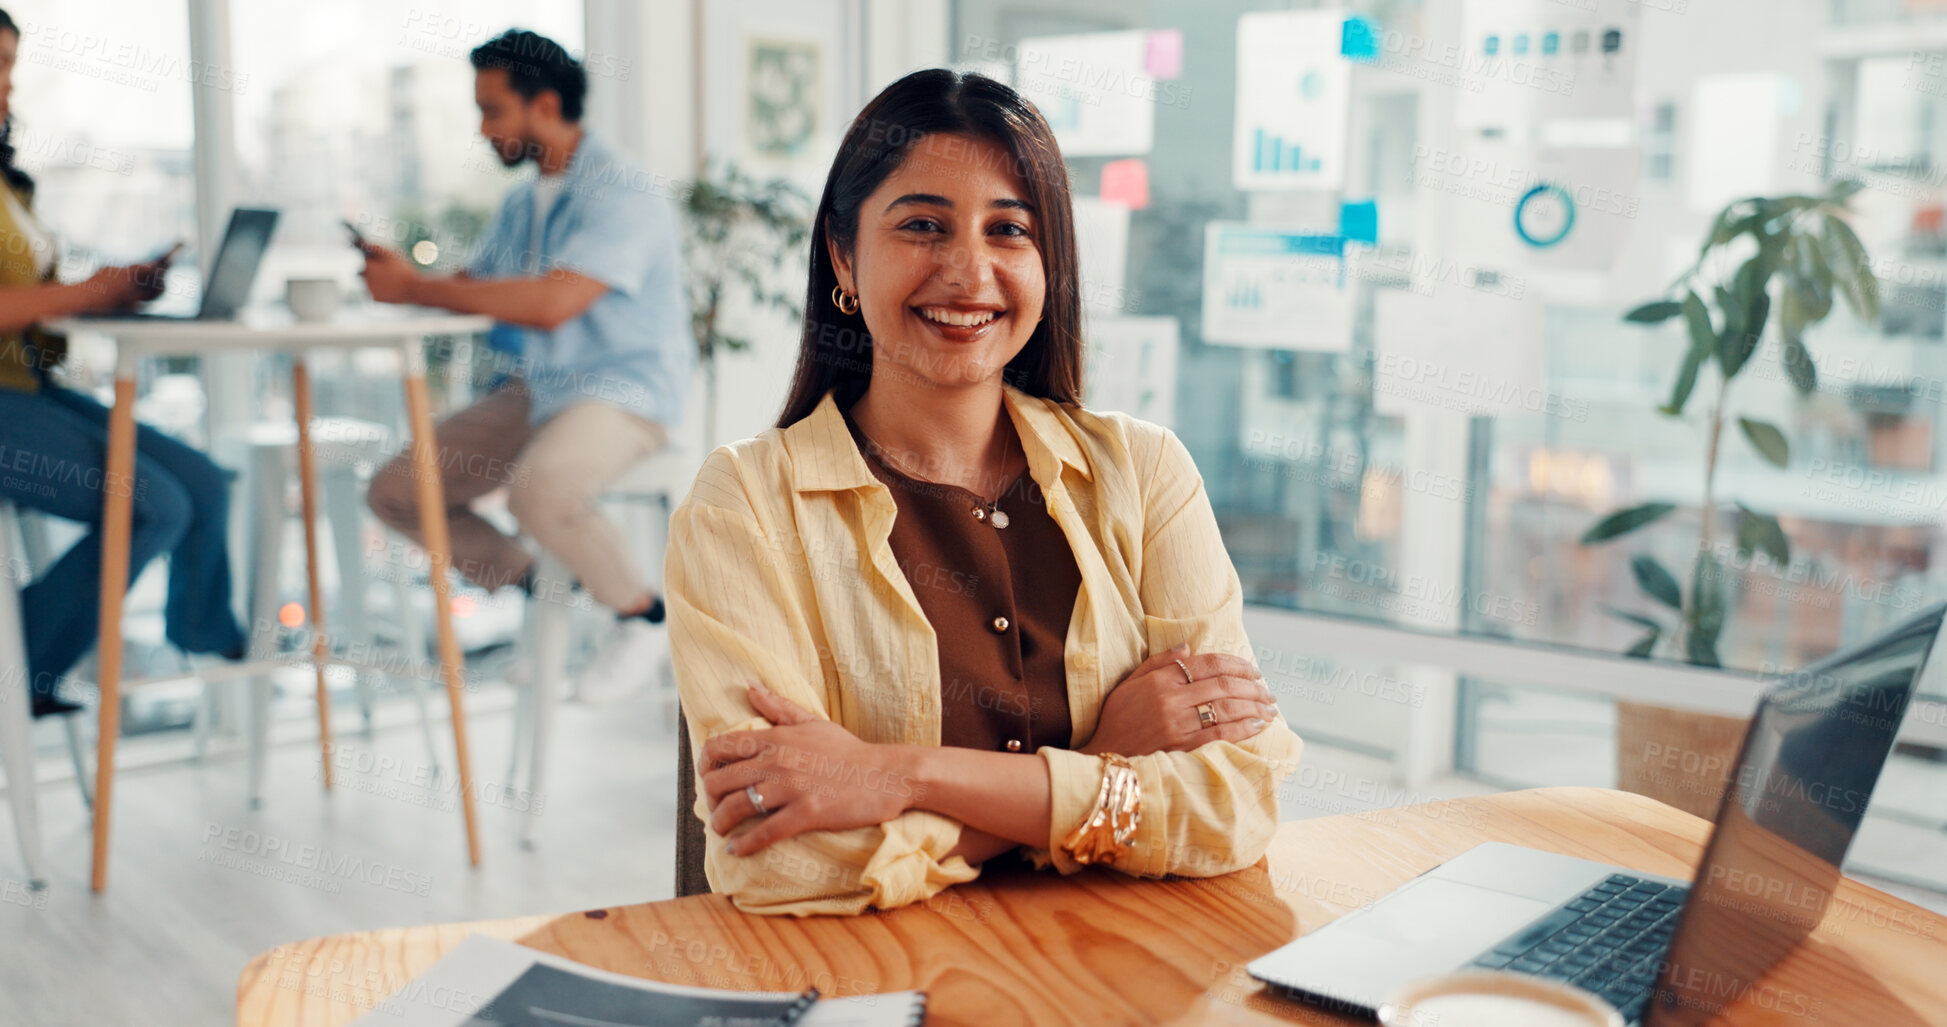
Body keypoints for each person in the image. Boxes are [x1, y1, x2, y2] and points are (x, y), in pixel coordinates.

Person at [667, 69, 1303, 916]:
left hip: (1121, 968)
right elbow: (781, 862)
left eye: (1009, 230)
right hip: (877, 982)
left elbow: (1236, 801)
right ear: (842, 256)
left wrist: (899, 774)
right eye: (923, 226)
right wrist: (1106, 759)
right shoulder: (742, 503)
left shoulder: (1145, 473)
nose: (969, 272)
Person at [360, 28, 691, 697]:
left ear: (543, 105)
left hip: (621, 389)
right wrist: (403, 278)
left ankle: (643, 615)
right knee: (398, 490)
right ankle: (544, 591)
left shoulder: (619, 190)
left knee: (540, 490)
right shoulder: (522, 202)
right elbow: (480, 284)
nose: (482, 130)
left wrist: (417, 289)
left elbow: (549, 305)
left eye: (492, 110)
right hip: (537, 388)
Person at [0, 8, 247, 717]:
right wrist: (87, 290)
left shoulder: (7, 183)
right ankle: (22, 657)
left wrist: (113, 296)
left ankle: (206, 634)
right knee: (154, 504)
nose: (7, 87)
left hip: (27, 382)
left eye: (12, 66)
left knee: (202, 482)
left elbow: (30, 302)